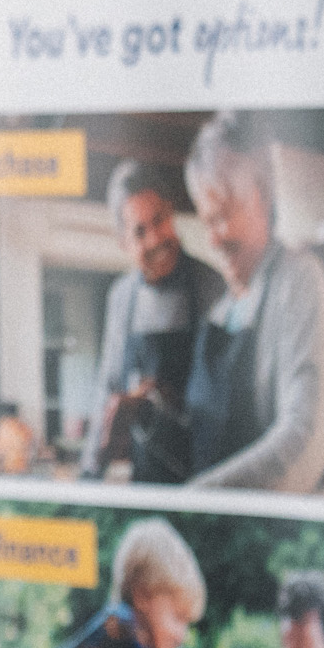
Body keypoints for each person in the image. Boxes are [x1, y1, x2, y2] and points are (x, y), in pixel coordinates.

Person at [181, 112, 324, 493]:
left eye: (222, 217)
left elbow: (302, 441)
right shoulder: (223, 309)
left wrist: (199, 502)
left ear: (265, 197)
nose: (213, 240)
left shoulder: (299, 281)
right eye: (207, 222)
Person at [80, 160, 224, 482]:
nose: (157, 238)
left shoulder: (213, 287)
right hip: (145, 475)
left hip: (204, 473)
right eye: (140, 231)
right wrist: (90, 472)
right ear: (124, 243)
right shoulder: (121, 298)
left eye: (159, 220)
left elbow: (225, 400)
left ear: (172, 213)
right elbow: (109, 385)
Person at [14, 518, 204, 648]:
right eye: (178, 617)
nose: (182, 636)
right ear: (142, 595)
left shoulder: (130, 644)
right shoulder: (123, 628)